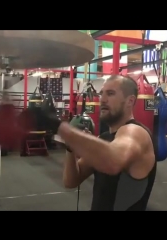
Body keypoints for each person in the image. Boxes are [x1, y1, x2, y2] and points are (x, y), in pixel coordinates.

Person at [40, 75, 157, 211]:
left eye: (111, 94)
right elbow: (71, 181)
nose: (103, 99)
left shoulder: (136, 132)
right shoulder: (104, 138)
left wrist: (60, 127)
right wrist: (70, 147)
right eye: (101, 94)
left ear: (130, 101)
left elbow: (114, 161)